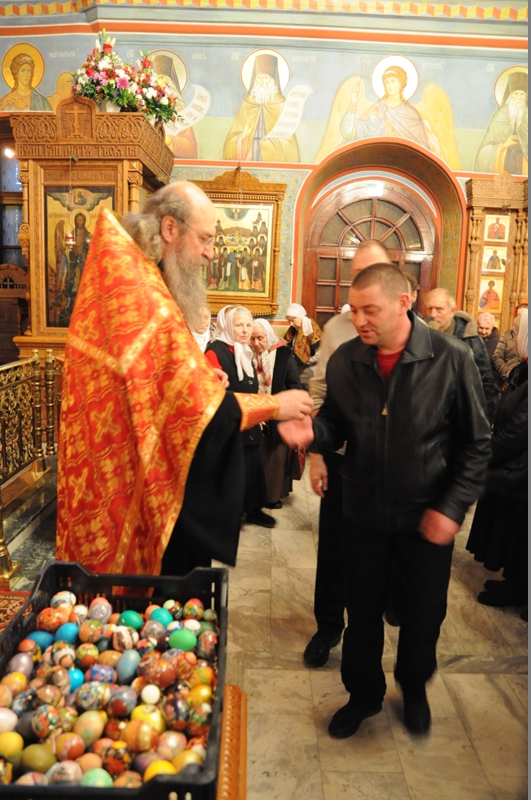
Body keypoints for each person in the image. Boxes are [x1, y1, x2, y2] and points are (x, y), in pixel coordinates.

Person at [56, 181, 312, 577]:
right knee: (150, 594)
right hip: (130, 491)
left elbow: (153, 383)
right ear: (170, 229)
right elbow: (190, 411)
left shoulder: (136, 279)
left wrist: (196, 371)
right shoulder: (148, 299)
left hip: (118, 471)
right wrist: (275, 405)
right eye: (205, 238)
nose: (211, 252)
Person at [279, 264, 491, 738]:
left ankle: (413, 689)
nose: (359, 320)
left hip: (426, 517)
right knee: (362, 615)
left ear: (403, 303)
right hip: (362, 513)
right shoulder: (348, 358)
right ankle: (363, 695)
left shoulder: (451, 358)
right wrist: (314, 432)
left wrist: (451, 508)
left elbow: (477, 444)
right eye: (354, 310)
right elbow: (337, 423)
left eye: (370, 310)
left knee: (422, 617)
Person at [304, 240, 392, 668]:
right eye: (356, 273)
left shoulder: (415, 332)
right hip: (342, 458)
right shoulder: (339, 328)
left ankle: (374, 618)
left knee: (381, 551)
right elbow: (319, 390)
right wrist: (317, 455)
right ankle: (327, 626)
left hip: (391, 466)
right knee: (334, 550)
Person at [466, 311, 527, 612]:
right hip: (514, 464)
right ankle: (514, 582)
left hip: (520, 465)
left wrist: (487, 452)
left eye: (520, 335)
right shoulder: (524, 368)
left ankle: (520, 589)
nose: (516, 340)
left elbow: (521, 429)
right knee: (514, 530)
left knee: (519, 531)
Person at [205, 306, 276, 529]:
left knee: (252, 465)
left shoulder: (245, 350)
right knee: (231, 470)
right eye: (239, 325)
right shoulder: (215, 351)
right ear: (228, 326)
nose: (245, 330)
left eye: (248, 325)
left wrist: (258, 411)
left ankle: (253, 509)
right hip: (229, 421)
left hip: (248, 419)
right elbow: (213, 388)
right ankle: (229, 515)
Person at [251, 318, 302, 509]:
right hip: (255, 414)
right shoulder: (247, 355)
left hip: (278, 415)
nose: (256, 343)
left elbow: (294, 384)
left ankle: (273, 496)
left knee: (276, 458)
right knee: (258, 456)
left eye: (260, 338)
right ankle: (256, 496)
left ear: (268, 336)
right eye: (252, 339)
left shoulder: (283, 354)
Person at [425, 287, 496, 421]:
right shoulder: (422, 334)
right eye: (429, 309)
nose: (433, 314)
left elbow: (484, 380)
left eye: (439, 309)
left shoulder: (470, 339)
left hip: (459, 412)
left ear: (452, 311)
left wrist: (485, 418)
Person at [223, 53, 300, 163]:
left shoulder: (281, 104)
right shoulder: (247, 103)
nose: (261, 82)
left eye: (265, 78)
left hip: (271, 161)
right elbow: (231, 141)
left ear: (273, 80)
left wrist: (269, 143)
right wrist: (244, 135)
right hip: (249, 159)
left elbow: (289, 144)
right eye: (259, 78)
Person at [339, 66, 431, 151]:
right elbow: (348, 132)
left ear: (401, 83)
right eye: (387, 82)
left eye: (393, 81)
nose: (389, 85)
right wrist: (353, 103)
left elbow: (422, 149)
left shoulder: (411, 114)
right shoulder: (376, 109)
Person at [475, 70, 528, 175]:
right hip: (502, 168)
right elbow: (483, 151)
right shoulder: (500, 115)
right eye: (516, 93)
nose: (519, 97)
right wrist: (503, 145)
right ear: (510, 95)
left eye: (522, 94)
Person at [284, 303, 322, 388]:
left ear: (301, 317)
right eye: (289, 321)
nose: (290, 324)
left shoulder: (312, 331)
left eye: (293, 320)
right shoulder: (293, 331)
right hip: (296, 375)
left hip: (308, 376)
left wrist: (298, 360)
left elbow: (318, 355)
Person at [492, 309, 525, 393]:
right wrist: (507, 373)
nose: (521, 318)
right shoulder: (506, 336)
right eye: (519, 315)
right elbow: (497, 356)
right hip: (505, 381)